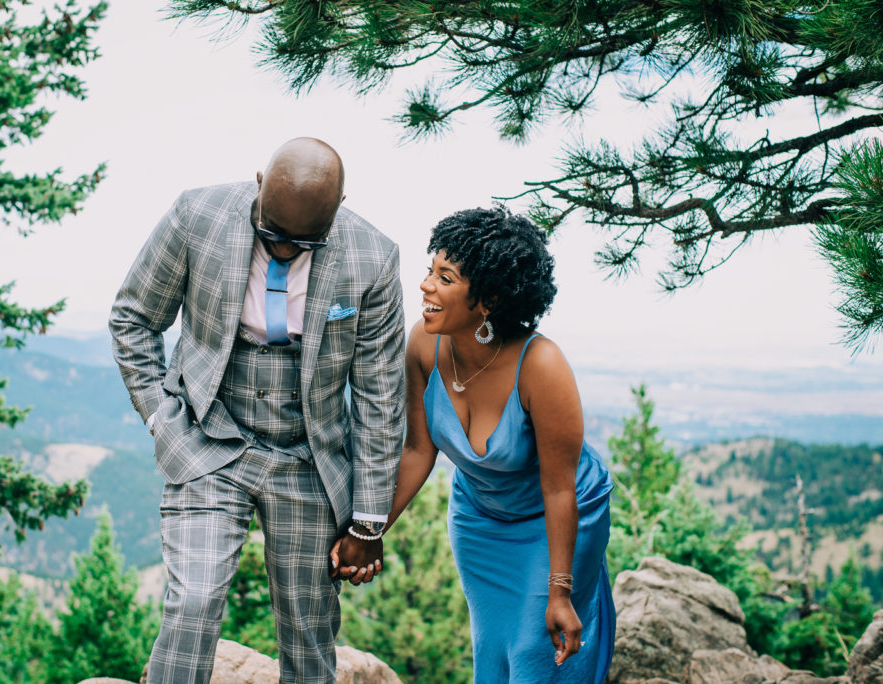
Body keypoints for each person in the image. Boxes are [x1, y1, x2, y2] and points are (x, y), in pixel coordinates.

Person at [110, 137, 405, 684]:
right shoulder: (195, 215)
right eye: (273, 234)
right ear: (259, 184)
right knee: (193, 603)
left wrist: (368, 519)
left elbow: (379, 397)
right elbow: (133, 318)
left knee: (308, 630)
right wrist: (159, 419)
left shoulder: (374, 258)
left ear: (338, 211)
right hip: (207, 438)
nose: (285, 251)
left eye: (304, 242)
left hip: (306, 456)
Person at [333, 205, 615, 683]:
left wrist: (561, 590)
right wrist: (369, 530)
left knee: (533, 651)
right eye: (430, 270)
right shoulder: (424, 344)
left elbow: (559, 489)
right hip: (480, 521)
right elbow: (419, 449)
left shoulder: (541, 366)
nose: (425, 285)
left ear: (488, 299)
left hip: (558, 520)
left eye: (446, 277)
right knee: (496, 649)